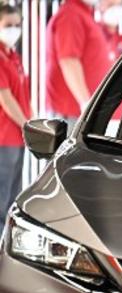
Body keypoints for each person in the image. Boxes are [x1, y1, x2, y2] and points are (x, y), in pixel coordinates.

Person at [46, 0, 115, 128]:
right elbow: (69, 61)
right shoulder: (71, 15)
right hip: (71, 115)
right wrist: (85, 104)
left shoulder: (84, 14)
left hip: (78, 114)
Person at [0, 4, 30, 225]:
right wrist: (27, 125)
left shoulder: (13, 56)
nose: (13, 29)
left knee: (12, 198)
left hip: (16, 137)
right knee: (2, 199)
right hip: (4, 138)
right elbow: (6, 99)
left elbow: (22, 97)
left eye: (17, 25)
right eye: (7, 25)